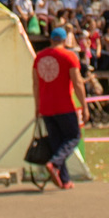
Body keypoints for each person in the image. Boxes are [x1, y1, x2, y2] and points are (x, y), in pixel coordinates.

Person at [32, 26, 89, 190]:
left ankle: (64, 180)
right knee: (73, 137)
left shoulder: (39, 57)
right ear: (64, 41)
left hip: (46, 106)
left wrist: (37, 106)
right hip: (64, 105)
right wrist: (84, 105)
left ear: (51, 39)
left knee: (57, 142)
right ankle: (54, 164)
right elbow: (77, 82)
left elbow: (35, 84)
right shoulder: (69, 56)